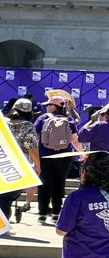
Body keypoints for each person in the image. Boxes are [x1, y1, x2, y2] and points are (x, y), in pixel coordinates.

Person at [35, 93, 83, 223]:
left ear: (53, 106)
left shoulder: (43, 118)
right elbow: (74, 140)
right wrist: (82, 154)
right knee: (59, 184)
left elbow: (34, 136)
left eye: (48, 105)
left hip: (45, 156)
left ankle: (42, 213)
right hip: (64, 156)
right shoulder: (70, 120)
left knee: (45, 184)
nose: (46, 107)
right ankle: (56, 213)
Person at [0, 98, 41, 224]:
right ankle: (2, 221)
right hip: (17, 165)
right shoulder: (27, 126)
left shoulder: (3, 122)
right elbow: (30, 145)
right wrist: (37, 166)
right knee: (8, 196)